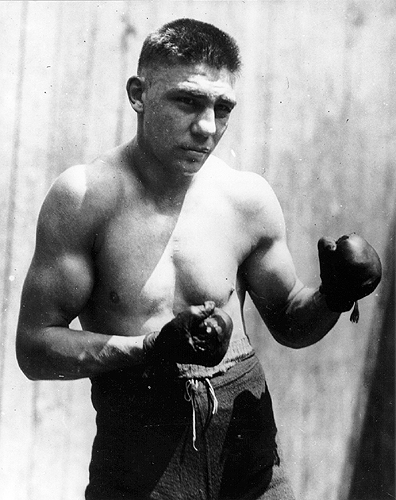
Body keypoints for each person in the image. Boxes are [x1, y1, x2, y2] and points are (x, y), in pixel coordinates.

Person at [16, 18, 381, 500]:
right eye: (188, 100)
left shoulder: (246, 198)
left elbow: (291, 324)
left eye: (222, 107)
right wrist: (148, 349)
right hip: (141, 454)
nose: (207, 127)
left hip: (248, 448)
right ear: (138, 94)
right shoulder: (84, 199)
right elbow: (35, 349)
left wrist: (334, 296)